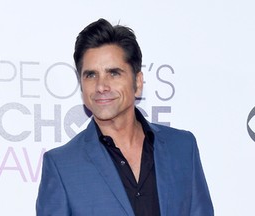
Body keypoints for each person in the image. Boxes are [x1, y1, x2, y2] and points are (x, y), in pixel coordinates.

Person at [36, 18, 214, 216]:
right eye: (91, 75)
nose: (101, 86)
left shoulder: (182, 147)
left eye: (113, 73)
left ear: (137, 82)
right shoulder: (62, 166)